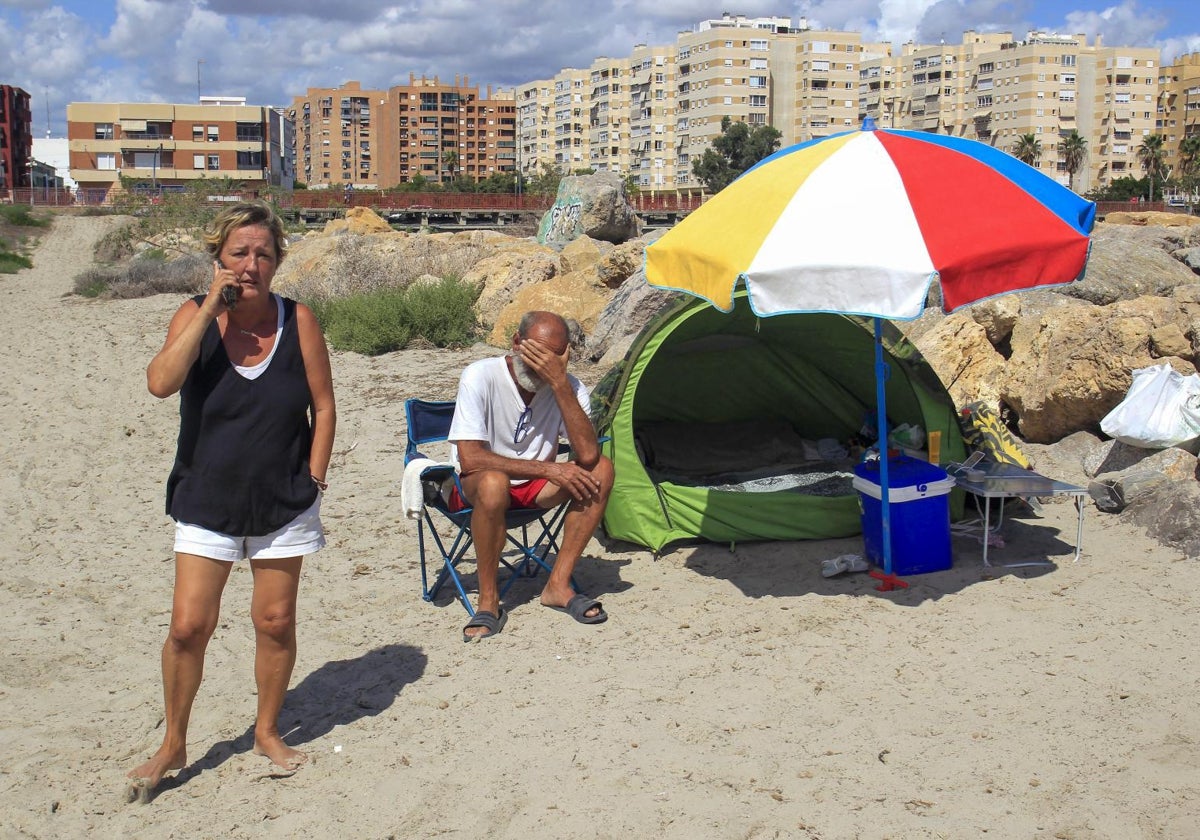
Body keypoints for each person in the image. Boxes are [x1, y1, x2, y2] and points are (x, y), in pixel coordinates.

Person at [127, 202, 336, 801]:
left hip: (283, 498)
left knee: (274, 621)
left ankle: (267, 730)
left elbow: (323, 406)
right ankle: (173, 743)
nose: (251, 265)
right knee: (190, 626)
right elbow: (160, 383)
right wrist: (209, 312)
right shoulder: (192, 314)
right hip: (206, 495)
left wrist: (314, 479)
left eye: (263, 254)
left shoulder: (300, 320)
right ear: (218, 258)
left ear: (277, 262)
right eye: (239, 253)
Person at [449, 310, 613, 641]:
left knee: (601, 469)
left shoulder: (569, 386)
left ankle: (558, 584)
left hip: (536, 490)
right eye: (536, 353)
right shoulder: (480, 375)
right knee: (495, 482)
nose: (541, 365)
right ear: (516, 343)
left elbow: (588, 454)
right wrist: (548, 468)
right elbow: (471, 457)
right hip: (478, 486)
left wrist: (559, 383)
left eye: (552, 357)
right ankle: (488, 601)